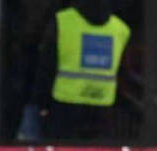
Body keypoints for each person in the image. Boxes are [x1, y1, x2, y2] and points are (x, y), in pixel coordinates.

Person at [31, 0, 130, 142]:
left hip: (64, 108)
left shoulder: (62, 21)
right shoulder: (121, 29)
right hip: (103, 109)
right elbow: (123, 71)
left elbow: (47, 64)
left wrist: (42, 103)